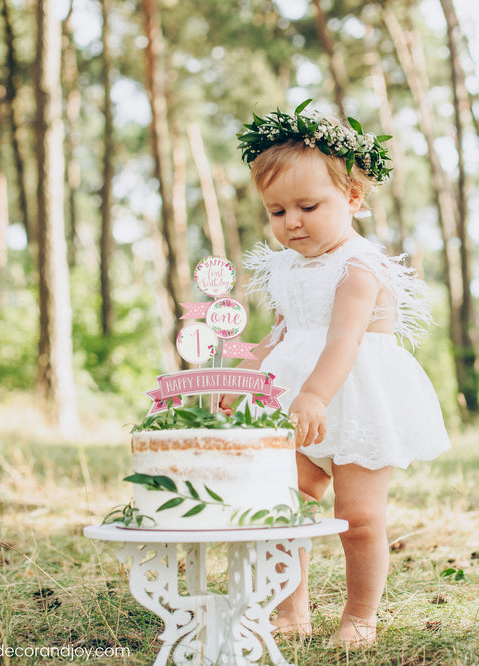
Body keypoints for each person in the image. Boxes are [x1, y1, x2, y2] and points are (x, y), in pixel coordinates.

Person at [219, 101, 451, 647]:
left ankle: (359, 617)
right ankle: (290, 611)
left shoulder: (358, 266)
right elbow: (279, 332)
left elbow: (345, 339)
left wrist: (314, 395)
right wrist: (243, 378)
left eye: (306, 205)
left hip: (355, 395)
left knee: (359, 515)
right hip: (296, 397)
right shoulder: (286, 267)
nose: (291, 221)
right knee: (284, 501)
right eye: (276, 212)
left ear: (352, 198)